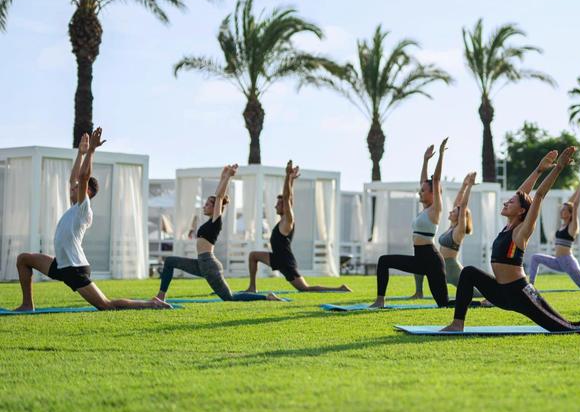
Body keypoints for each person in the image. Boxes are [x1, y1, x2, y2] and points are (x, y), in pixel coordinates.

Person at [441, 148, 580, 332]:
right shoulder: (507, 226)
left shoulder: (521, 232)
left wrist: (558, 168)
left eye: (511, 203)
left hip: (520, 293)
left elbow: (538, 195)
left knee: (564, 326)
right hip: (501, 291)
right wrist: (538, 170)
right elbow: (522, 194)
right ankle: (458, 323)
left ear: (522, 211)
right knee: (469, 273)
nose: (506, 202)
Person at [13, 129, 170, 312]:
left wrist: (92, 151)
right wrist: (80, 153)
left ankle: (152, 304)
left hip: (75, 268)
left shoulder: (83, 207)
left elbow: (82, 177)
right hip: (61, 264)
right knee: (24, 259)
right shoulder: (75, 206)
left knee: (106, 305)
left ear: (87, 192)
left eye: (78, 188)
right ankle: (27, 304)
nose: (72, 188)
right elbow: (75, 178)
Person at [156, 164, 283, 302]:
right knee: (169, 261)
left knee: (230, 297)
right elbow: (218, 196)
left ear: (215, 207)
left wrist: (228, 177)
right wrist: (223, 176)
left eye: (207, 204)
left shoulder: (216, 221)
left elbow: (219, 197)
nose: (204, 206)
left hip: (209, 265)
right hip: (202, 263)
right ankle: (161, 296)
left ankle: (267, 297)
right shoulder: (210, 222)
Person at [245, 161, 350, 293]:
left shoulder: (288, 220)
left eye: (278, 204)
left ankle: (340, 289)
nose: (275, 206)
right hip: (276, 257)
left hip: (285, 261)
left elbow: (288, 198)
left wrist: (287, 176)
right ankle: (252, 287)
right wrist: (291, 179)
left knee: (305, 289)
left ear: (284, 206)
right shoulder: (283, 219)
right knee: (253, 256)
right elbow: (290, 197)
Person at [370, 139, 450, 308]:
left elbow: (435, 181)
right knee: (384, 261)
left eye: (423, 191)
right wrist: (425, 160)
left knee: (444, 304)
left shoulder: (435, 209)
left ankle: (483, 303)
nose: (420, 192)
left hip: (432, 259)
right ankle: (379, 300)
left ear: (433, 194)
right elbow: (425, 182)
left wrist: (441, 154)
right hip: (419, 258)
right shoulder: (425, 208)